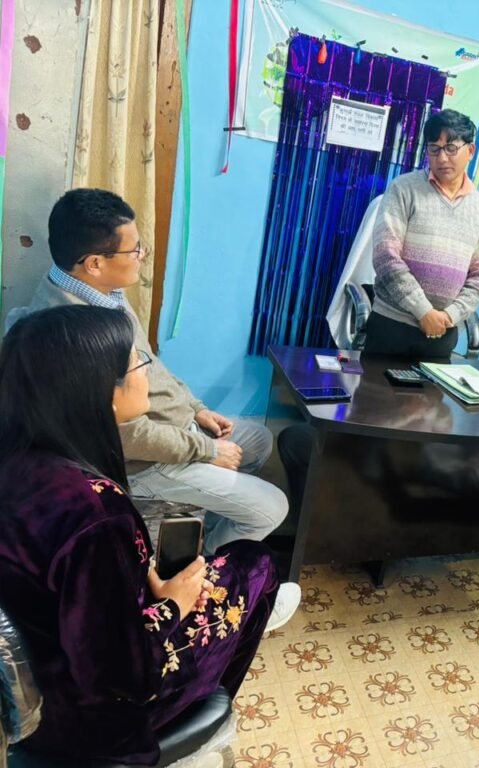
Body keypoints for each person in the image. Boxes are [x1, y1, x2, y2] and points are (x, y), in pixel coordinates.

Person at [0, 306, 280, 764]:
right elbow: (121, 674)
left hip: (32, 678)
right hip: (87, 722)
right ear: (98, 393)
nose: (146, 373)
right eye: (137, 364)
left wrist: (132, 575)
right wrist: (174, 605)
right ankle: (193, 716)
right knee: (257, 564)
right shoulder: (95, 513)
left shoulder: (19, 459)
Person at [7, 188, 301, 622]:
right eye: (135, 250)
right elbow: (125, 434)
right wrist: (205, 450)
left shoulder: (104, 291)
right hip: (145, 459)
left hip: (174, 429)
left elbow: (153, 366)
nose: (142, 256)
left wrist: (196, 409)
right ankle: (207, 583)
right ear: (95, 262)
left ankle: (199, 541)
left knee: (256, 441)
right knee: (273, 507)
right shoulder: (72, 333)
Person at [364, 108, 479, 358]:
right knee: (374, 386)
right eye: (434, 149)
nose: (442, 158)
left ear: (470, 151)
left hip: (442, 334)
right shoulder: (403, 189)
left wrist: (450, 315)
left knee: (432, 388)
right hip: (391, 327)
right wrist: (423, 310)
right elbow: (385, 256)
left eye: (451, 148)